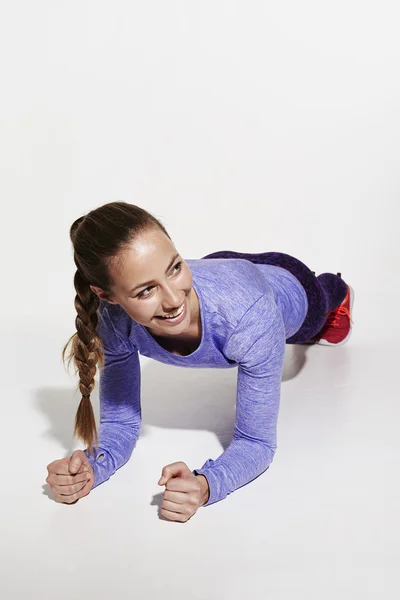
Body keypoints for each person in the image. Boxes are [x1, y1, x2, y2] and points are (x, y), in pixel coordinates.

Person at [46, 201, 354, 522]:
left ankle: (336, 291)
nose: (174, 299)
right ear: (107, 296)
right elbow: (121, 423)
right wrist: (92, 467)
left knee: (316, 316)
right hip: (225, 274)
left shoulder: (250, 316)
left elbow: (257, 442)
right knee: (225, 297)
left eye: (175, 267)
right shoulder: (113, 320)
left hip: (286, 286)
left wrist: (206, 484)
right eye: (146, 290)